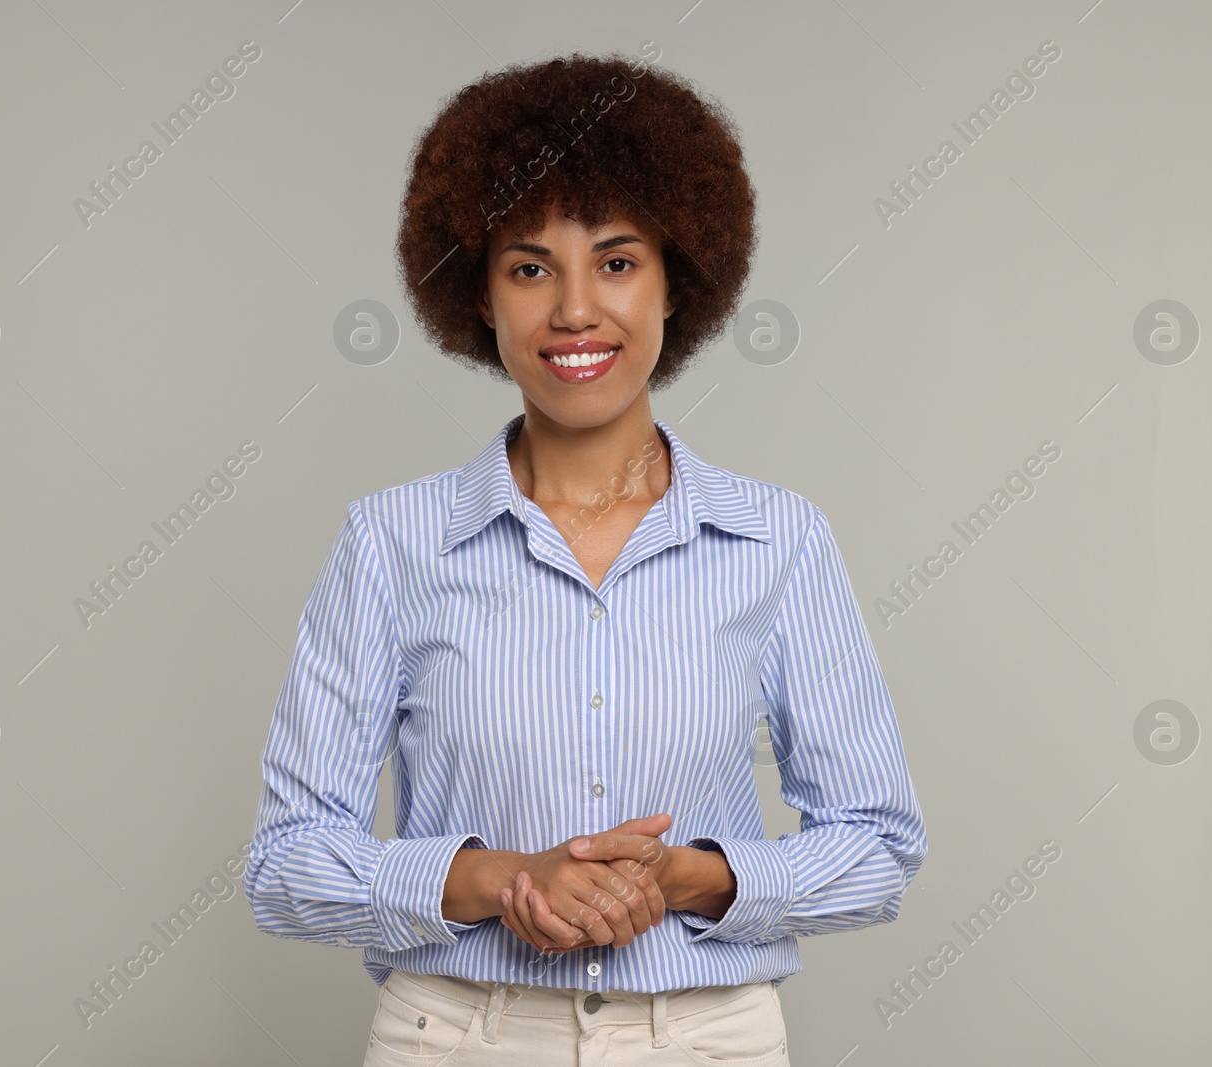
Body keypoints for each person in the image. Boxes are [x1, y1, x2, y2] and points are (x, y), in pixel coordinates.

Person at [242, 51, 927, 1065]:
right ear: (476, 294)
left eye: (615, 261)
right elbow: (285, 863)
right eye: (529, 266)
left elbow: (878, 844)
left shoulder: (780, 540)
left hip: (705, 1039)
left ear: (674, 281)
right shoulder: (390, 543)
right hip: (455, 1036)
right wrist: (497, 879)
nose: (572, 310)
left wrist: (690, 877)